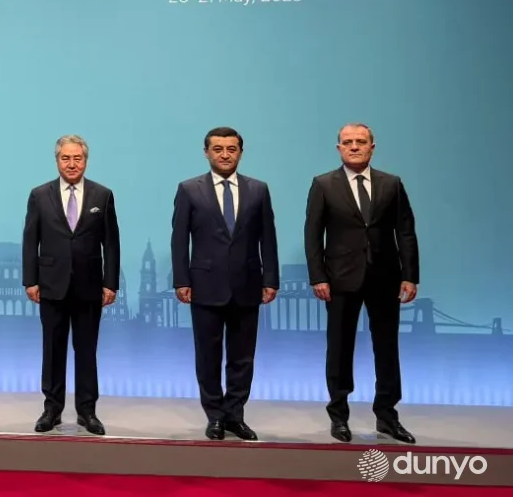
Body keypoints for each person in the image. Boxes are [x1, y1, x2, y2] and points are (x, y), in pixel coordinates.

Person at [305, 123, 419, 444]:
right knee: (340, 349)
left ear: (372, 146)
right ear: (338, 147)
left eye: (360, 141)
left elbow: (405, 232)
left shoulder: (391, 184)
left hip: (385, 279)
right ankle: (339, 416)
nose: (354, 146)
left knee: (387, 349)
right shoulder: (323, 185)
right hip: (340, 280)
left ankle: (387, 416)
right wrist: (318, 276)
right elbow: (313, 235)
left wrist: (410, 275)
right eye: (347, 142)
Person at [171, 127, 279, 441]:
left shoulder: (258, 190)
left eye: (231, 149)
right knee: (208, 354)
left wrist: (270, 277)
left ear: (240, 153)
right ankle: (214, 416)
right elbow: (179, 239)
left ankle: (235, 415)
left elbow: (267, 238)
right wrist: (181, 279)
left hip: (248, 283)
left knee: (243, 356)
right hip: (204, 285)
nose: (225, 154)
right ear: (206, 152)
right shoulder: (190, 189)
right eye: (218, 149)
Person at [22, 135, 119, 435]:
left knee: (86, 350)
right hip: (51, 285)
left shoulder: (102, 196)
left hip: (90, 287)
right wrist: (30, 280)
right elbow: (30, 241)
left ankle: (87, 412)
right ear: (57, 160)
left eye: (77, 158)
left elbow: (111, 244)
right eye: (66, 158)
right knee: (53, 349)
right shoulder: (40, 195)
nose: (72, 163)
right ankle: (51, 409)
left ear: (86, 161)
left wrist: (110, 283)